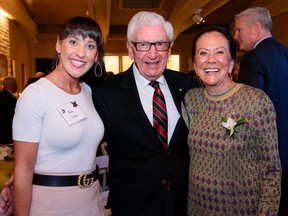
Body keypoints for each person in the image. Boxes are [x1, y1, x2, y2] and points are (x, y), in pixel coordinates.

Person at [92, 11, 196, 216]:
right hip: (133, 205)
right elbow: (85, 144)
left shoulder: (186, 85)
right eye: (143, 45)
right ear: (130, 49)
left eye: (160, 44)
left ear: (170, 48)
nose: (153, 53)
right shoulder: (107, 93)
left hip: (181, 203)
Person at [4, 16, 106, 216]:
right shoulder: (36, 94)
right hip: (50, 205)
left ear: (96, 56)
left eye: (90, 45)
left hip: (92, 201)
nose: (81, 53)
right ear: (59, 45)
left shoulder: (88, 91)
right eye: (74, 42)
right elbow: (23, 170)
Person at [183, 26, 282, 215]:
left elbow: (271, 172)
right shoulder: (191, 100)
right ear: (195, 64)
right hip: (196, 208)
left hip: (241, 209)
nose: (210, 59)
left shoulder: (256, 101)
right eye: (203, 53)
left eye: (219, 52)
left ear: (230, 64)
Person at [233, 7, 288, 215]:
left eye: (239, 30)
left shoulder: (252, 59)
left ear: (256, 28)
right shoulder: (285, 52)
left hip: (267, 158)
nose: (236, 36)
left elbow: (249, 112)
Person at [0, 77, 17, 144]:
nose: (17, 86)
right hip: (7, 133)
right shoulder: (6, 98)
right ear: (12, 85)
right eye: (16, 84)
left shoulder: (4, 96)